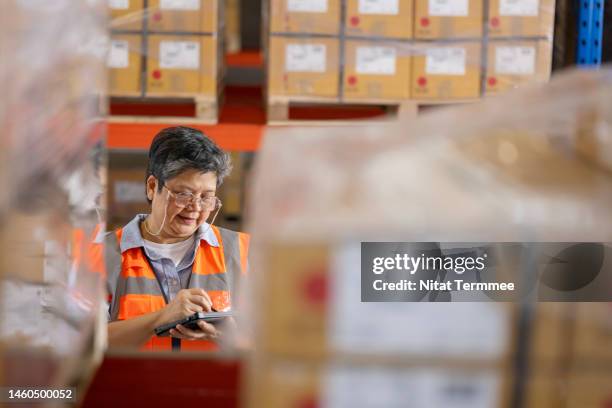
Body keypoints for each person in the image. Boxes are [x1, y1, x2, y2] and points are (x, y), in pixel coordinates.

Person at [105, 126, 249, 351]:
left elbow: (280, 347)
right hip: (132, 386)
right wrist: (161, 317)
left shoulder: (243, 251)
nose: (195, 207)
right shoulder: (101, 253)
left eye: (206, 197)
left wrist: (230, 338)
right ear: (153, 187)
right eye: (184, 194)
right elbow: (78, 346)